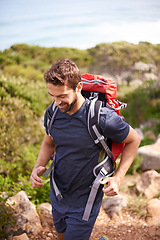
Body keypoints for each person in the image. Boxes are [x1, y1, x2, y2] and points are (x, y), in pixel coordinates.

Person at [30, 58, 141, 240]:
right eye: (53, 96)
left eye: (62, 96)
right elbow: (49, 143)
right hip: (58, 192)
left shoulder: (102, 117)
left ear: (78, 87)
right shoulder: (53, 113)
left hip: (85, 199)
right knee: (62, 236)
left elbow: (134, 140)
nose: (57, 102)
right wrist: (37, 167)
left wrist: (118, 179)